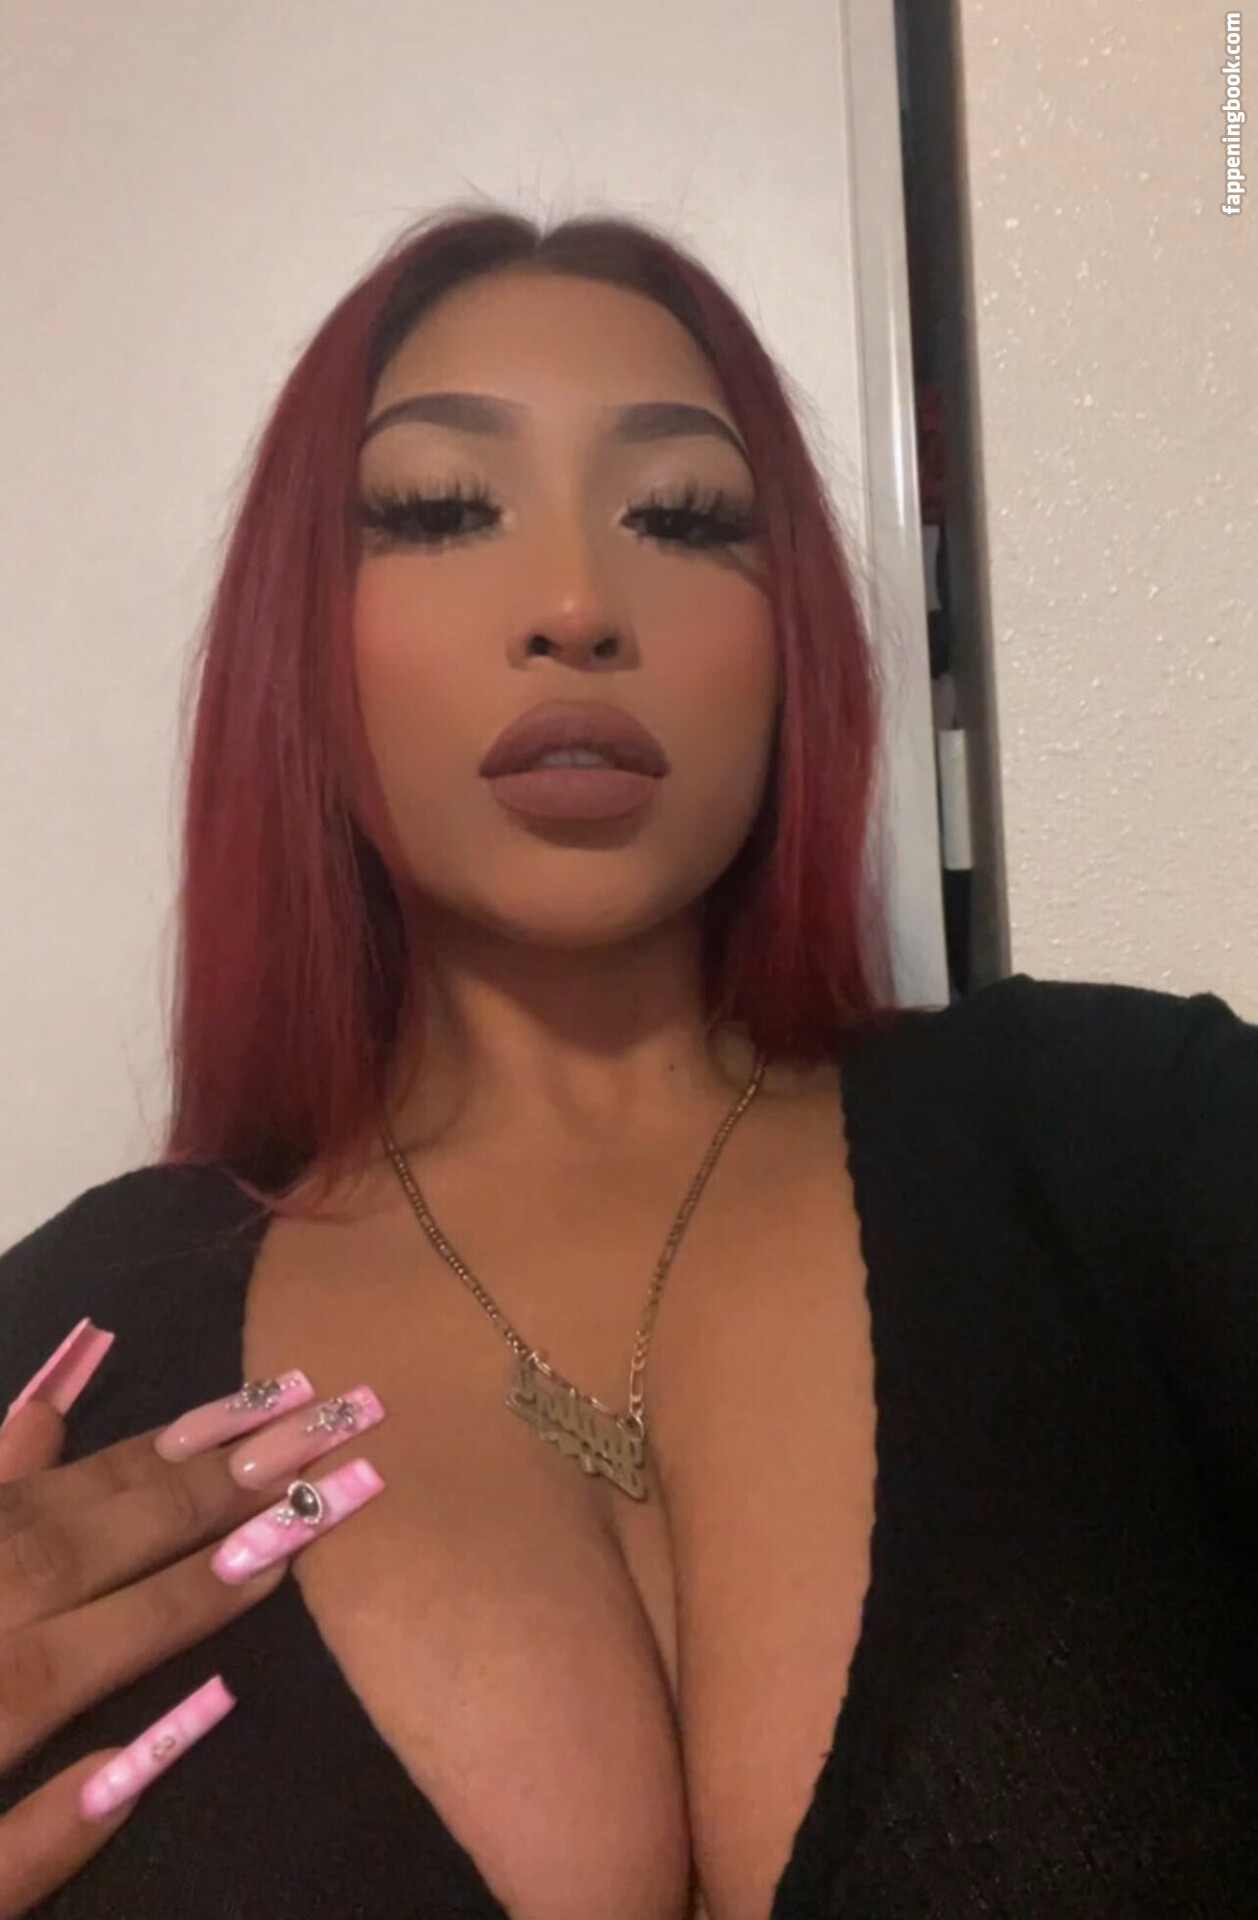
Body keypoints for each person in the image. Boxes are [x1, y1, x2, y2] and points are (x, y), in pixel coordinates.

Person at [0, 203, 1254, 1920]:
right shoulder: (64, 1372)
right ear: (303, 632)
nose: (579, 605)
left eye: (683, 517)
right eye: (438, 509)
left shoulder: (1133, 1145)